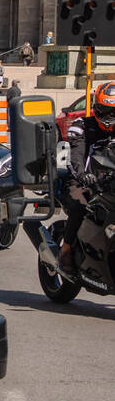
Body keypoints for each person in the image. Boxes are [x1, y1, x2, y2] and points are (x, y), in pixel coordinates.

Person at [58, 81, 115, 273]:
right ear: (96, 108)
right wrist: (83, 175)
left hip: (110, 183)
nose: (109, 118)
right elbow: (76, 155)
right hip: (83, 181)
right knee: (80, 205)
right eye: (104, 111)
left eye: (113, 112)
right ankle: (66, 249)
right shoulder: (81, 126)